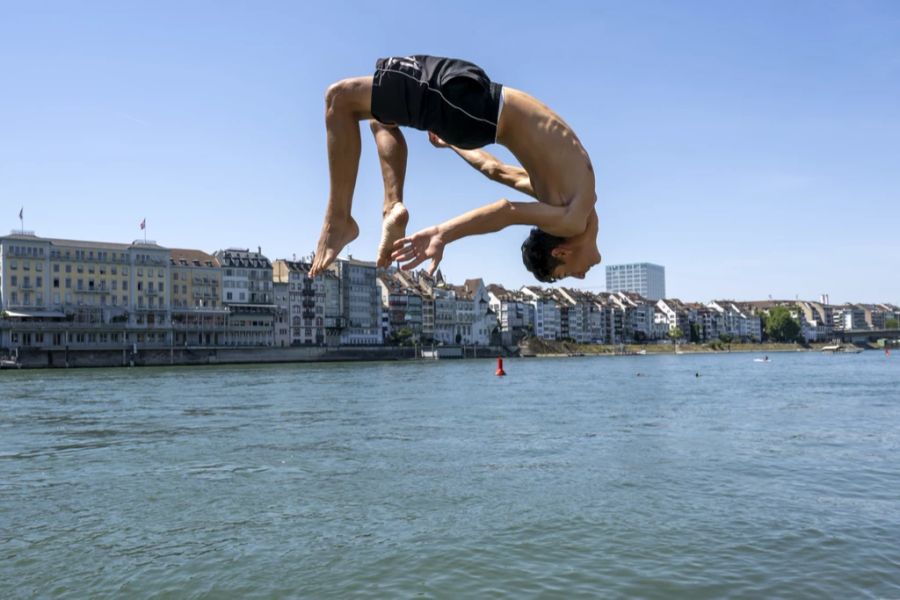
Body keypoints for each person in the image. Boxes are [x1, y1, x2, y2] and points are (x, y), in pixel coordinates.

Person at [307, 55, 601, 282]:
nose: (581, 277)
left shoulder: (571, 211)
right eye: (565, 275)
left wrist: (442, 233)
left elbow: (504, 207)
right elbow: (495, 173)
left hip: (473, 104)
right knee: (372, 113)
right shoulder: (571, 208)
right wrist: (454, 144)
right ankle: (386, 208)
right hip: (474, 104)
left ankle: (344, 220)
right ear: (560, 252)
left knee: (342, 100)